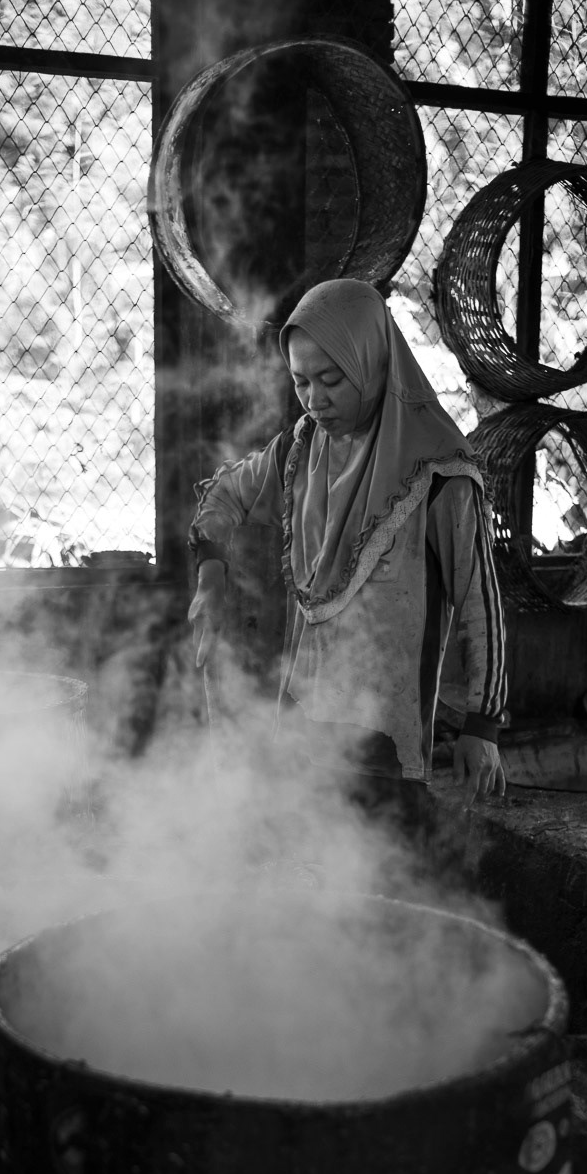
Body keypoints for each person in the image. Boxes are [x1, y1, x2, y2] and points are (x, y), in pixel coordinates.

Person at [187, 278, 507, 807]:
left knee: (378, 855)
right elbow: (224, 495)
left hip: (385, 743)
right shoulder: (300, 451)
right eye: (301, 382)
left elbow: (480, 602)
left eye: (331, 380)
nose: (315, 401)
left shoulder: (440, 474)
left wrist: (483, 725)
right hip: (301, 728)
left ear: (372, 362)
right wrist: (211, 578)